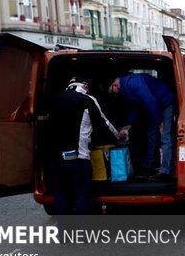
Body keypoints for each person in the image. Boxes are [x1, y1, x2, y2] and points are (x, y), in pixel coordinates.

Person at [46, 76, 120, 214]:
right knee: (81, 197)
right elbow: (103, 124)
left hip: (54, 160)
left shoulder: (54, 100)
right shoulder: (87, 100)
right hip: (78, 158)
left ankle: (64, 233)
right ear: (85, 85)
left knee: (60, 198)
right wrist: (118, 137)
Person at [108, 73, 176, 182]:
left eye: (111, 91)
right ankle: (147, 167)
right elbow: (135, 107)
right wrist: (127, 126)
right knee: (151, 134)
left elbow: (150, 100)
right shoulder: (126, 89)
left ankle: (165, 170)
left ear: (114, 85)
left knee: (165, 136)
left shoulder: (133, 82)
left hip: (165, 101)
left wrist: (160, 122)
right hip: (155, 106)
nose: (113, 95)